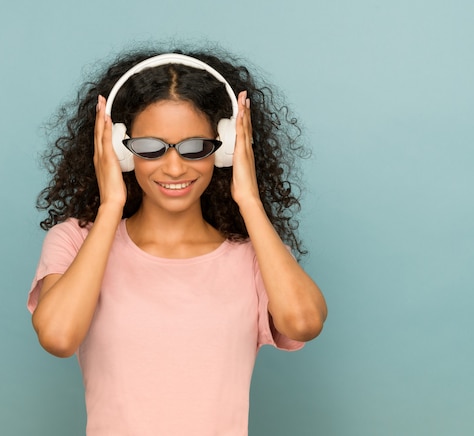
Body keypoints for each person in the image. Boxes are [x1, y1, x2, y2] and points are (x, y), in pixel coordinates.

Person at [27, 45, 327, 435]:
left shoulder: (255, 256)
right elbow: (58, 336)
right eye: (150, 148)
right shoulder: (75, 241)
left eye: (195, 147)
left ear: (225, 149)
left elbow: (303, 322)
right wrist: (110, 205)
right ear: (119, 149)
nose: (173, 167)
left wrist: (249, 199)